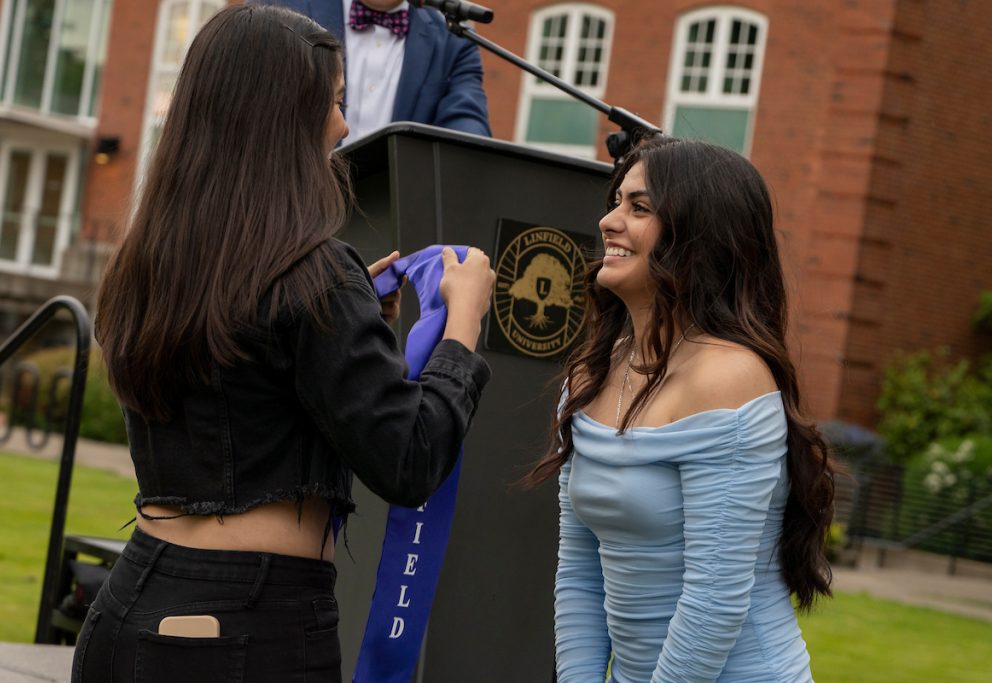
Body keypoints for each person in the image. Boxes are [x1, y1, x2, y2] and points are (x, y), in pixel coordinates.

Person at [71, 5, 494, 682]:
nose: (344, 125)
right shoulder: (313, 274)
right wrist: (463, 330)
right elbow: (408, 458)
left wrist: (359, 326)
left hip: (132, 605)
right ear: (281, 118)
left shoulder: (145, 259)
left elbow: (249, 390)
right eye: (331, 101)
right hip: (245, 628)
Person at [525, 136, 836, 682]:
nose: (609, 222)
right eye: (616, 202)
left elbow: (713, 602)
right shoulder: (591, 373)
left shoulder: (730, 378)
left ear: (699, 238)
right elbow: (578, 571)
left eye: (639, 208)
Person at [260, 0, 490, 143]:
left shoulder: (455, 39)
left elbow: (467, 123)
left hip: (395, 208)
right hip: (292, 202)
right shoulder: (280, 6)